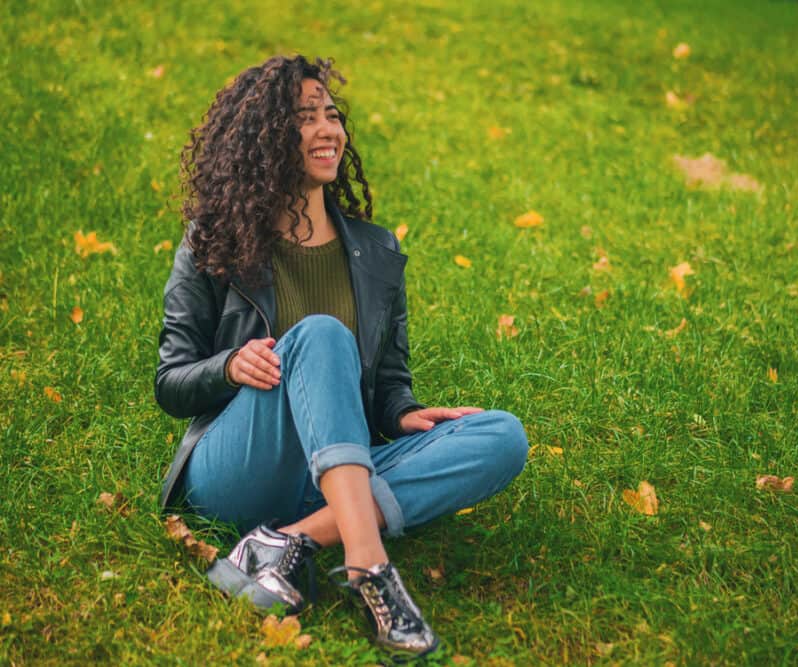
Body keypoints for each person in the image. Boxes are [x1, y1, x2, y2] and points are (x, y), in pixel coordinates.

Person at [154, 54, 528, 657]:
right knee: (323, 334)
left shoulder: (377, 252)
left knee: (503, 436)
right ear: (263, 140)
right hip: (242, 464)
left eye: (332, 114)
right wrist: (227, 367)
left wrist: (403, 414)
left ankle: (287, 543)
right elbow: (171, 381)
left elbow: (388, 384)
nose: (328, 129)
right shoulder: (212, 243)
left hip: (335, 472)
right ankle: (369, 568)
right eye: (306, 118)